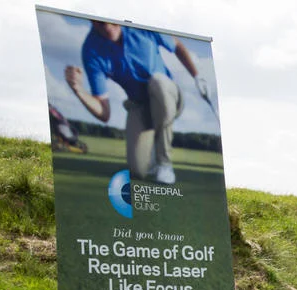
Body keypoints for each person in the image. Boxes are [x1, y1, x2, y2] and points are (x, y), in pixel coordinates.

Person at [64, 21, 208, 185]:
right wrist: (79, 90)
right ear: (92, 21)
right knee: (138, 170)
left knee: (158, 82)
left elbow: (177, 46)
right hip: (139, 105)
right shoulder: (91, 50)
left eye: (110, 22)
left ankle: (164, 163)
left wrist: (197, 76)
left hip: (169, 95)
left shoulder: (142, 26)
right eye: (101, 23)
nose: (107, 26)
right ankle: (152, 153)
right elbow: (104, 112)